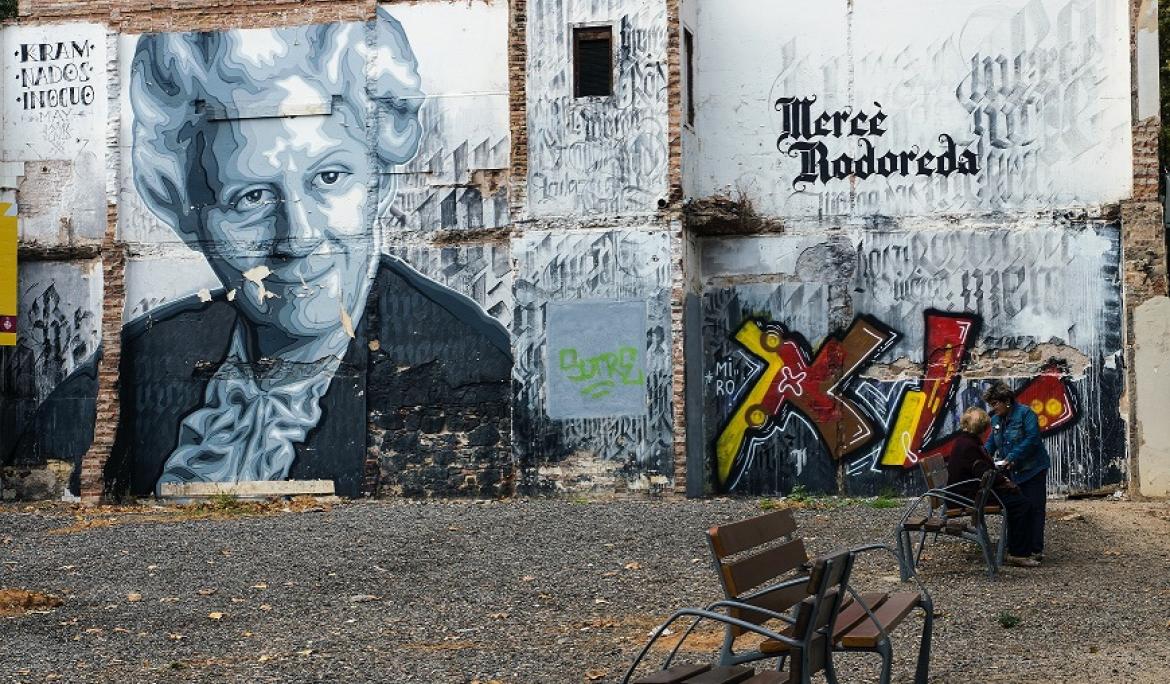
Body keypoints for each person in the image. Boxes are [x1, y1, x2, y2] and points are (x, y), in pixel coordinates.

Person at [0, 9, 513, 499]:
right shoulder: (119, 372)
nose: (299, 237)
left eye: (330, 178)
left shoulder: (470, 361)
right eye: (251, 197)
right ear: (183, 209)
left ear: (379, 179)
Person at [948, 407, 1037, 567]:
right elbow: (984, 474)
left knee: (1017, 500)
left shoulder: (964, 441)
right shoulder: (971, 446)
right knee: (1022, 505)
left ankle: (1016, 548)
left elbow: (982, 472)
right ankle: (1018, 553)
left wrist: (1001, 480)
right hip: (969, 496)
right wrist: (1004, 482)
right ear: (984, 428)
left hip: (964, 492)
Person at [983, 381, 1050, 564]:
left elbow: (1032, 439)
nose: (993, 408)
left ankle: (1036, 548)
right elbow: (991, 442)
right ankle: (1019, 547)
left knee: (1035, 507)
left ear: (1007, 401)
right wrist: (983, 455)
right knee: (1019, 508)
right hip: (1012, 472)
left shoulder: (1025, 414)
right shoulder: (996, 420)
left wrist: (1012, 457)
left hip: (1032, 469)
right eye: (991, 404)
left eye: (995, 403)